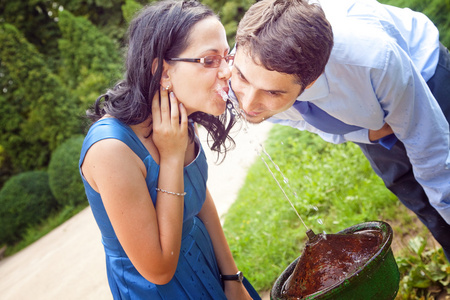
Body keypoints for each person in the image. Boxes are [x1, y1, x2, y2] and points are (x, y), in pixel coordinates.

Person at [229, 0, 450, 262]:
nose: (247, 103)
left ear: (309, 84)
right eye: (242, 78)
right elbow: (301, 119)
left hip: (422, 72)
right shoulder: (247, 64)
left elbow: (434, 155)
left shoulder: (373, 60)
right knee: (408, 187)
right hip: (365, 111)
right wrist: (365, 134)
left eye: (273, 92)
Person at [78, 0, 261, 298]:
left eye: (226, 57)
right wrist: (172, 157)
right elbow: (159, 269)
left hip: (206, 260)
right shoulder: (110, 149)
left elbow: (200, 199)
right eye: (209, 60)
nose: (227, 71)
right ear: (163, 72)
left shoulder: (175, 114)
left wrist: (232, 278)